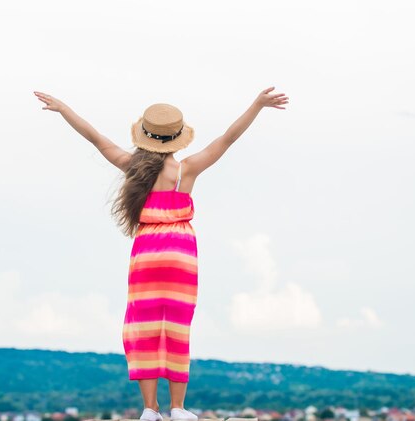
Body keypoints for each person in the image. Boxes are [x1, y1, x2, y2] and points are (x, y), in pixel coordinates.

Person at [33, 87, 289, 421]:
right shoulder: (187, 169)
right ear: (178, 138)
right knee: (177, 328)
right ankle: (179, 408)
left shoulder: (132, 167)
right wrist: (257, 105)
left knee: (145, 326)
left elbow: (95, 138)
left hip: (147, 255)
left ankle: (150, 410)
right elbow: (227, 139)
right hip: (181, 254)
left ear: (144, 136)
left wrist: (64, 109)